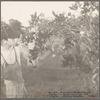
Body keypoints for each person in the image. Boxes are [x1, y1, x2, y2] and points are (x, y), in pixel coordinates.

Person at [1, 22, 28, 98]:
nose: (15, 39)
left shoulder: (17, 48)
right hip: (7, 87)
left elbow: (28, 55)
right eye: (12, 38)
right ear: (4, 41)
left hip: (19, 83)